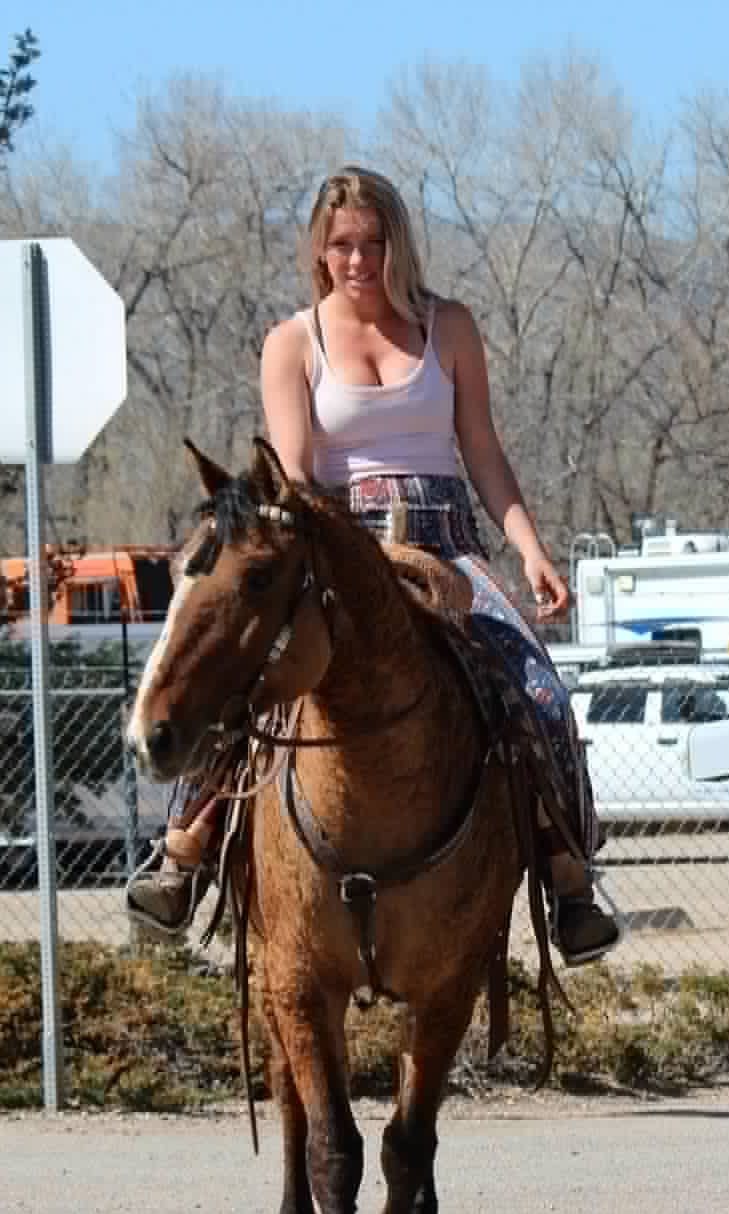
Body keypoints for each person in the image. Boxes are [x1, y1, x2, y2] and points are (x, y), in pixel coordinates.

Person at [124, 164, 621, 968]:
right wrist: (340, 556)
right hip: (340, 549)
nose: (358, 260)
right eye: (342, 245)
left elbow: (483, 450)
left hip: (445, 544)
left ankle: (569, 879)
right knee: (254, 674)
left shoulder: (448, 327)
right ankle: (185, 850)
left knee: (537, 687)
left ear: (398, 245)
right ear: (319, 252)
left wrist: (530, 548)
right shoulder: (293, 343)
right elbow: (292, 473)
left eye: (373, 242)